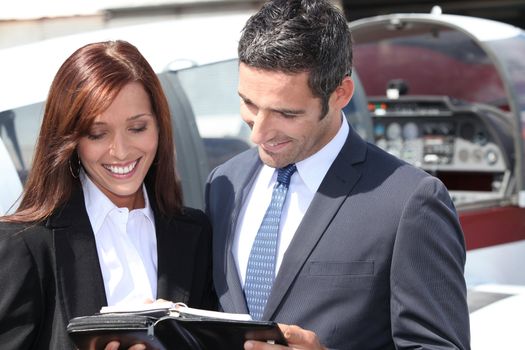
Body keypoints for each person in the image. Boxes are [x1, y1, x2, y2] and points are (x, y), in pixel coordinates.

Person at [205, 0, 470, 349]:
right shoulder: (224, 182)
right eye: (250, 104)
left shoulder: (410, 201)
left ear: (340, 94)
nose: (258, 134)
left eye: (286, 113)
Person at [0, 40, 215, 349]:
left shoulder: (195, 233)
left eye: (137, 128)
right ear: (70, 139)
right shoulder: (27, 243)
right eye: (98, 134)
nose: (121, 151)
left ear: (159, 126)